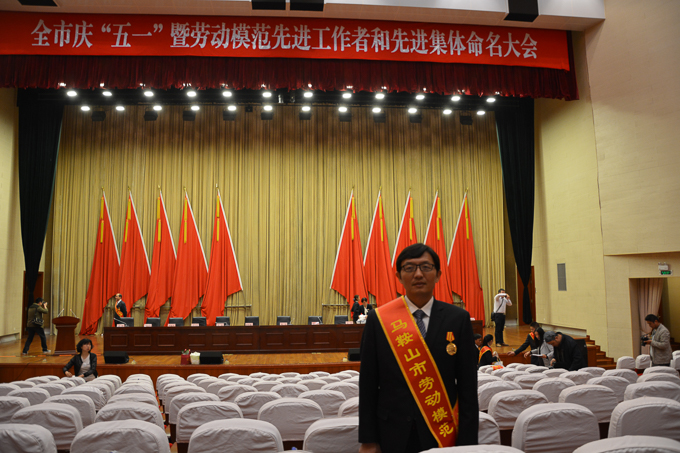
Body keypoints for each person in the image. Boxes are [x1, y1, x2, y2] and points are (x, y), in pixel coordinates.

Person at [359, 243, 478, 452]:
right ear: (398, 276)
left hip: (442, 430)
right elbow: (368, 383)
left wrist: (467, 444)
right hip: (392, 432)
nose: (418, 274)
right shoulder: (379, 320)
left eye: (426, 267)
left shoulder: (458, 319)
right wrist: (368, 440)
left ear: (438, 274)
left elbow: (468, 387)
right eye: (409, 268)